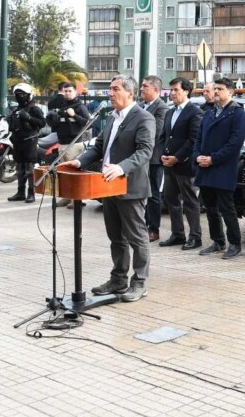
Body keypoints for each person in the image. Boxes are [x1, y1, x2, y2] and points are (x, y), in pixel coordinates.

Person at [60, 74, 155, 302]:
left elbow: (144, 151)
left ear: (130, 93)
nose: (110, 93)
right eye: (111, 89)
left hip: (130, 187)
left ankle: (139, 282)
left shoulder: (143, 118)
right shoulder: (112, 118)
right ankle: (118, 279)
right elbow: (100, 146)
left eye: (115, 89)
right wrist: (80, 161)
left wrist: (121, 168)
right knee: (116, 237)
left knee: (137, 237)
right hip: (107, 187)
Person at [194, 78, 245, 258]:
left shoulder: (237, 113)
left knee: (226, 207)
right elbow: (198, 138)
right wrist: (197, 156)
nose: (216, 92)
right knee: (210, 207)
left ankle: (235, 243)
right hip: (205, 167)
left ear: (230, 92)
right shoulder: (210, 112)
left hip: (223, 167)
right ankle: (218, 241)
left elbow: (234, 144)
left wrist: (213, 159)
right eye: (215, 88)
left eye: (220, 89)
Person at [159, 77, 203, 249]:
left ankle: (195, 236)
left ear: (186, 91)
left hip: (184, 164)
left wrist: (177, 157)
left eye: (176, 90)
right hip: (169, 164)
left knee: (190, 201)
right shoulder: (170, 112)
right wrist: (163, 155)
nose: (173, 93)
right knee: (171, 199)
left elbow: (193, 139)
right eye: (171, 90)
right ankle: (178, 234)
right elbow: (164, 137)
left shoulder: (194, 112)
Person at [45, 82, 91, 206]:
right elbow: (54, 124)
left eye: (70, 91)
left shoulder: (80, 106)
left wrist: (74, 115)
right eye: (65, 91)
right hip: (62, 143)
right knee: (64, 173)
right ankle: (66, 197)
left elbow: (87, 123)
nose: (67, 93)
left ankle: (77, 200)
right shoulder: (61, 107)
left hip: (74, 144)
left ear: (75, 92)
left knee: (75, 173)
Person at [138, 76, 169, 242]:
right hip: (139, 158)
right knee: (140, 193)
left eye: (145, 86)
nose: (141, 89)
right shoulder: (140, 106)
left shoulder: (161, 108)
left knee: (153, 194)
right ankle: (141, 226)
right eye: (142, 86)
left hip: (154, 159)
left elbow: (155, 132)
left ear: (156, 90)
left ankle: (154, 229)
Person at [7, 83, 46, 203]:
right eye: (18, 94)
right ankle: (20, 192)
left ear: (29, 95)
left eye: (23, 94)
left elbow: (42, 123)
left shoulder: (34, 108)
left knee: (29, 169)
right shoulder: (16, 109)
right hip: (17, 142)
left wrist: (28, 118)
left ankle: (31, 193)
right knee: (19, 169)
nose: (20, 96)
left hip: (29, 142)